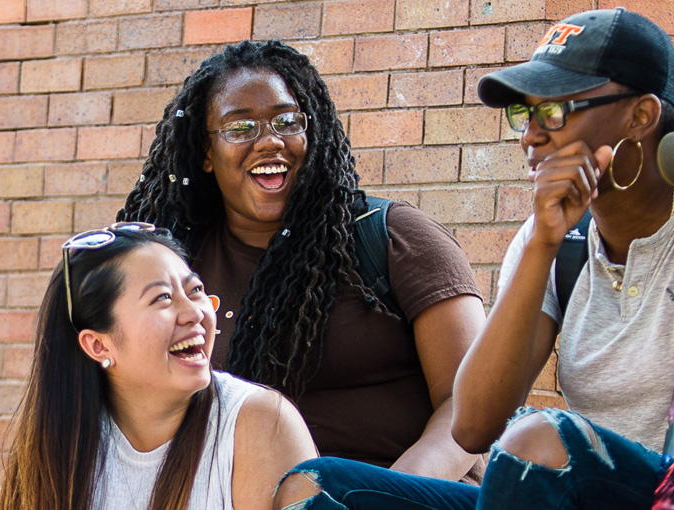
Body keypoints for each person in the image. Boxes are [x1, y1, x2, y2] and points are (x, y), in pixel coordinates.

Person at [271, 8, 674, 510]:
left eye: (555, 109)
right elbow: (475, 424)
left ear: (639, 116)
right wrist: (541, 246)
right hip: (586, 494)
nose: (532, 134)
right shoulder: (556, 248)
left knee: (538, 443)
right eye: (524, 112)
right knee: (318, 488)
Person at [115, 40, 485, 480]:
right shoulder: (179, 261)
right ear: (206, 154)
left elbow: (470, 402)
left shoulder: (393, 237)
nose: (269, 141)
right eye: (240, 127)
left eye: (287, 121)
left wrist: (389, 495)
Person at [0, 222, 318, 510]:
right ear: (99, 345)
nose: (194, 312)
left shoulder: (259, 423)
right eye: (162, 298)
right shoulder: (59, 446)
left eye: (195, 290)